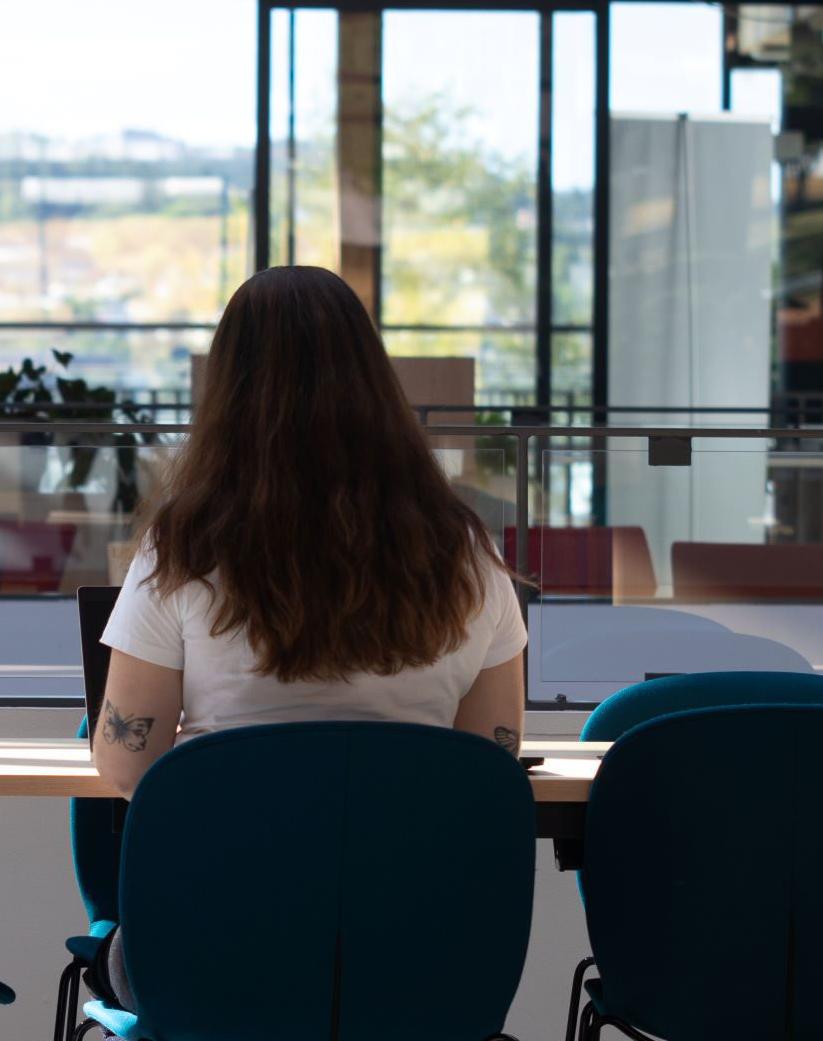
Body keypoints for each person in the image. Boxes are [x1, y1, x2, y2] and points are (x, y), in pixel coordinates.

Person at [85, 265, 527, 1010]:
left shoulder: (184, 548)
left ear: (226, 390)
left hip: (219, 951)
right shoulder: (467, 556)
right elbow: (493, 757)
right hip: (421, 959)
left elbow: (129, 763)